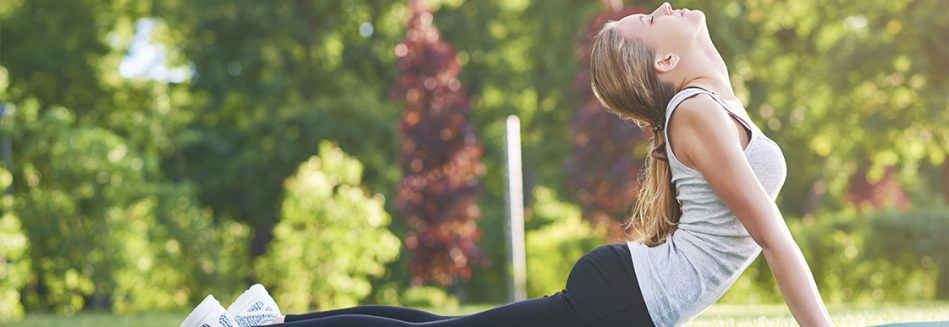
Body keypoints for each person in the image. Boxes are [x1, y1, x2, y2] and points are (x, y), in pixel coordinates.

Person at [180, 2, 833, 326]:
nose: (664, 7)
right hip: (621, 299)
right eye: (650, 20)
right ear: (665, 63)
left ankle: (265, 320)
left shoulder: (707, 103)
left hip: (626, 297)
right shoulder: (695, 110)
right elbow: (774, 236)